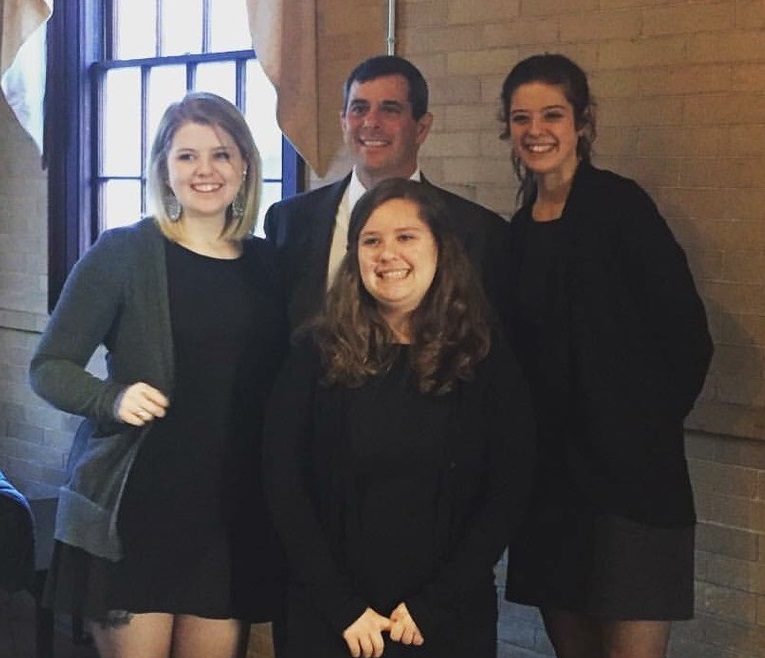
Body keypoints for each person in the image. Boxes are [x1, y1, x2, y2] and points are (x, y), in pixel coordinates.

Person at [29, 92, 287, 658]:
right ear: (163, 168)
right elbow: (48, 367)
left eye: (221, 154)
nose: (204, 170)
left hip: (229, 517)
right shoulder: (124, 253)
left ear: (245, 165)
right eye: (186, 156)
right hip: (136, 510)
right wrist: (111, 398)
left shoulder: (271, 264)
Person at [263, 178, 536, 658]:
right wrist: (339, 605)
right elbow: (282, 478)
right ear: (355, 255)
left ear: (440, 248)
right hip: (332, 618)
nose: (387, 253)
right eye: (371, 240)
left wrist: (439, 602)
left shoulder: (483, 354)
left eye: (406, 236)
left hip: (445, 617)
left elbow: (510, 485)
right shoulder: (315, 350)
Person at [498, 54, 714, 658]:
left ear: (583, 122)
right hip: (550, 487)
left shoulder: (622, 208)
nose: (536, 130)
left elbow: (689, 337)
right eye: (521, 117)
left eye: (552, 115)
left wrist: (639, 430)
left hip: (632, 486)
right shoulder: (517, 232)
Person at [264, 54, 512, 334]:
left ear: (421, 128)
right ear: (344, 122)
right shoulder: (288, 221)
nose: (371, 122)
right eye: (359, 108)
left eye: (390, 110)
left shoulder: (479, 232)